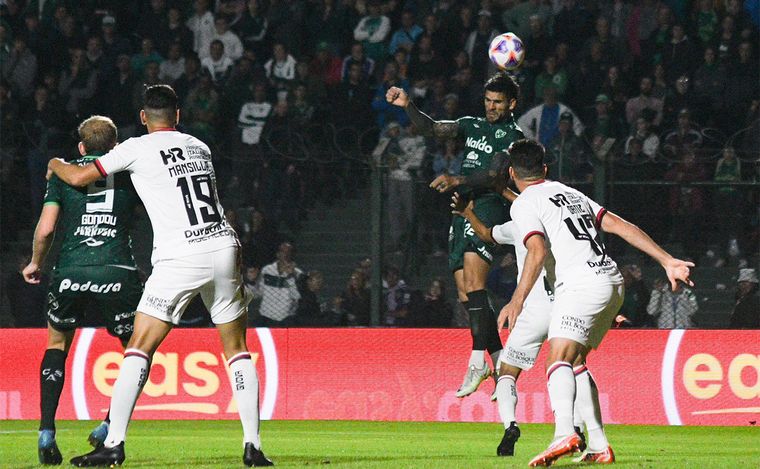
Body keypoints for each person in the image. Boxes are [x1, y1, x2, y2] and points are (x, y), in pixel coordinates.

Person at [49, 85, 273, 467]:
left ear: (142, 117)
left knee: (139, 346)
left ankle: (113, 444)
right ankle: (253, 447)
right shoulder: (199, 147)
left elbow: (79, 178)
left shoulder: (135, 147)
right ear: (178, 115)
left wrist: (55, 163)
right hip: (223, 246)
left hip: (180, 255)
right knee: (237, 349)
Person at [499, 139, 692, 466]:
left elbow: (536, 251)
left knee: (557, 357)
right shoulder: (569, 192)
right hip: (611, 280)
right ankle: (599, 444)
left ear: (511, 173)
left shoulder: (523, 203)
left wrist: (516, 300)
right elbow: (618, 225)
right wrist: (667, 260)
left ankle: (565, 435)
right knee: (574, 362)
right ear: (545, 169)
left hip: (580, 284)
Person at [386, 72, 524, 398]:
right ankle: (497, 358)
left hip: (487, 208)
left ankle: (477, 361)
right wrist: (408, 106)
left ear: (512, 104)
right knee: (465, 293)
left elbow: (494, 177)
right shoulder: (471, 125)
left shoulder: (513, 136)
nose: (491, 107)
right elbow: (431, 128)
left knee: (476, 285)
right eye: (488, 101)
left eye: (498, 102)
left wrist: (456, 179)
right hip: (461, 207)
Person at [22, 116, 142, 465]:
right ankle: (108, 425)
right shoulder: (128, 173)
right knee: (136, 352)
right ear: (115, 147)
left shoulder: (62, 174)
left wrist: (35, 263)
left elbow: (45, 230)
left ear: (81, 147)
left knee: (57, 344)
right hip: (117, 270)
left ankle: (46, 431)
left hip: (71, 269)